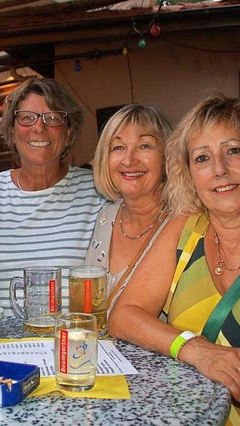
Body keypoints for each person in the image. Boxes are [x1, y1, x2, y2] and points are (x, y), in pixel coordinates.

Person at [109, 94, 240, 424]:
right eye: (202, 158)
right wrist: (195, 348)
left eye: (233, 151)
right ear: (190, 174)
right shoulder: (185, 230)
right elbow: (124, 316)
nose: (219, 169)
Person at [0, 78, 104, 314]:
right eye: (27, 117)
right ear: (12, 132)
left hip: (72, 343)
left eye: (53, 118)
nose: (39, 127)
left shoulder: (98, 191)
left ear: (69, 134)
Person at [84, 104, 172, 316]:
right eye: (118, 147)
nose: (129, 160)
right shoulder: (106, 215)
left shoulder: (183, 222)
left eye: (145, 146)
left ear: (168, 155)